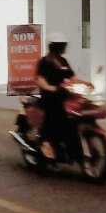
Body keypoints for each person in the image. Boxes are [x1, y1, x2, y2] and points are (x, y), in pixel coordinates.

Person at [35, 32, 92, 160]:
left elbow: (72, 77)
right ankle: (46, 142)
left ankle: (72, 143)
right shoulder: (44, 61)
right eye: (60, 45)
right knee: (54, 112)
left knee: (81, 107)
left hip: (63, 93)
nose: (62, 47)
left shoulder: (63, 61)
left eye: (63, 45)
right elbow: (40, 79)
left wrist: (83, 84)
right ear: (53, 46)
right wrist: (50, 87)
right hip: (50, 95)